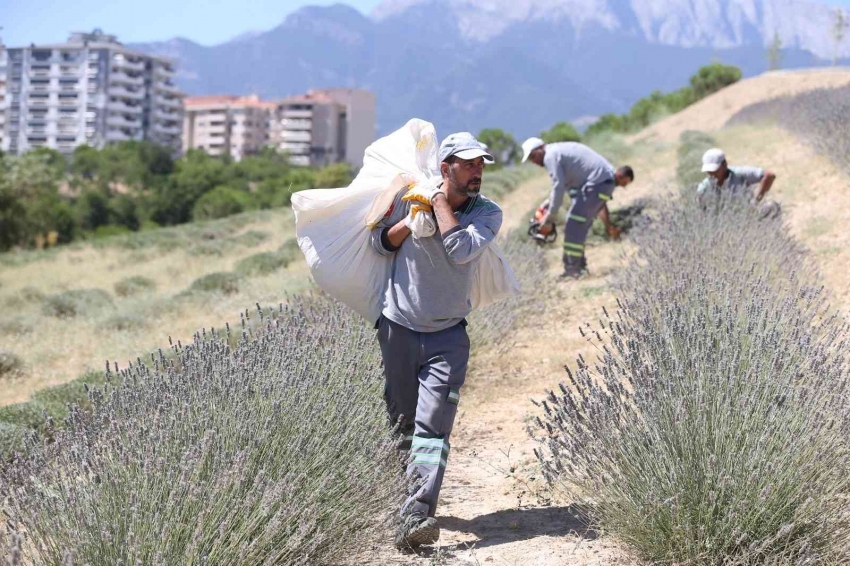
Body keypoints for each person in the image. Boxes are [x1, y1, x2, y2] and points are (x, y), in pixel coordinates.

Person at [369, 132, 502, 549]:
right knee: (403, 425)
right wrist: (409, 223)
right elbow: (378, 242)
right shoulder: (413, 200)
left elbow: (461, 250)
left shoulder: (487, 213)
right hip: (398, 329)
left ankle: (415, 515)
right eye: (469, 164)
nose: (477, 171)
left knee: (432, 430)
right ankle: (401, 499)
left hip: (448, 337)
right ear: (446, 168)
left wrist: (439, 204)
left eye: (481, 164)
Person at [521, 138, 634, 278]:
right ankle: (577, 267)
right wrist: (547, 204)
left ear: (541, 148)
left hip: (597, 185)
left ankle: (573, 271)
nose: (534, 161)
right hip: (600, 185)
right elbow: (564, 185)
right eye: (530, 159)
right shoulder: (557, 151)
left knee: (573, 225)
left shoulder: (550, 156)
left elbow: (558, 187)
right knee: (576, 226)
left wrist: (549, 218)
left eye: (533, 156)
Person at [697, 148, 779, 218]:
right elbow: (702, 213)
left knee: (772, 206)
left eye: (716, 170)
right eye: (709, 171)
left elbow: (769, 176)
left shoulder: (739, 174)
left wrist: (756, 201)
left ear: (725, 165)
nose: (712, 174)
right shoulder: (703, 188)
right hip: (723, 222)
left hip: (749, 215)